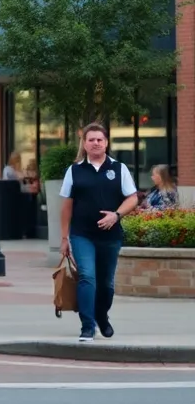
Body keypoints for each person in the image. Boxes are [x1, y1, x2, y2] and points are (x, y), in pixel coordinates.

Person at [59, 122, 139, 342]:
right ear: (84, 143)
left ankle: (101, 316)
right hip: (82, 233)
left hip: (110, 237)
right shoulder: (74, 170)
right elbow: (66, 207)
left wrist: (116, 215)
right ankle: (87, 325)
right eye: (91, 139)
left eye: (99, 140)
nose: (95, 143)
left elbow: (132, 198)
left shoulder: (118, 168)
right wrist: (64, 238)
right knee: (87, 276)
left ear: (106, 143)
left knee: (106, 284)